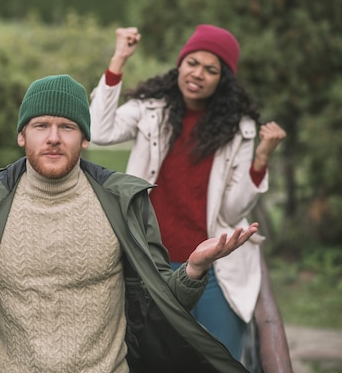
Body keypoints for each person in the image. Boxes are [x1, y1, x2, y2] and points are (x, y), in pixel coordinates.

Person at [0, 74, 260, 373]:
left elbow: (156, 309)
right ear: (21, 136)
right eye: (41, 125)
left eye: (67, 127)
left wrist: (193, 269)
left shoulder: (124, 200)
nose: (53, 137)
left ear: (85, 140)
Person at [88, 25, 287, 361]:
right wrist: (119, 58)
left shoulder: (239, 129)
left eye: (211, 70)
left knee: (222, 361)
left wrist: (262, 156)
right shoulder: (151, 109)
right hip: (152, 266)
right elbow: (99, 130)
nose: (198, 74)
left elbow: (234, 207)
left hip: (214, 270)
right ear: (180, 63)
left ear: (222, 79)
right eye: (192, 62)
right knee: (153, 361)